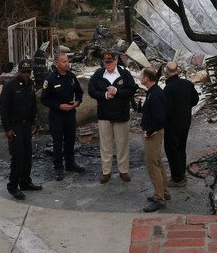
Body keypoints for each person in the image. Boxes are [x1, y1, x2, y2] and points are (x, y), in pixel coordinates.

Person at [87, 52, 137, 184]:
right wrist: (104, 95)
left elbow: (132, 90)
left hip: (121, 115)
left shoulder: (124, 74)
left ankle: (123, 170)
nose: (107, 65)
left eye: (110, 62)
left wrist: (117, 92)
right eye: (105, 62)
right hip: (104, 115)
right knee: (105, 144)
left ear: (115, 61)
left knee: (122, 144)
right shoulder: (99, 74)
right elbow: (91, 90)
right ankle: (106, 172)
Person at [0, 59, 42, 199]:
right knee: (18, 157)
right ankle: (13, 186)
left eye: (28, 72)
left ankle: (25, 182)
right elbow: (3, 108)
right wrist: (7, 128)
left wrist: (33, 122)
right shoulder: (10, 86)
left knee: (27, 155)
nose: (26, 74)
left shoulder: (30, 84)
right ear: (19, 71)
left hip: (26, 125)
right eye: (23, 72)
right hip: (15, 125)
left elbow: (32, 104)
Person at [41, 52, 84, 181]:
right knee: (57, 143)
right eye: (64, 62)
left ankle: (70, 164)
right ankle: (58, 167)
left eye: (67, 61)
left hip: (70, 115)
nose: (67, 63)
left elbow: (79, 92)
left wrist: (77, 102)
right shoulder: (51, 79)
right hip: (57, 116)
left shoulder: (71, 76)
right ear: (57, 63)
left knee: (70, 140)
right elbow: (44, 99)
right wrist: (58, 106)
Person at [162, 61, 199, 187]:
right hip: (185, 122)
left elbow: (165, 109)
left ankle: (177, 178)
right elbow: (195, 100)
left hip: (172, 125)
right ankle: (181, 173)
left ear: (166, 71)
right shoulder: (187, 84)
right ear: (178, 70)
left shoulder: (168, 89)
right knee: (181, 148)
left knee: (172, 151)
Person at [140, 67, 168, 212]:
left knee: (152, 166)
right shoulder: (153, 92)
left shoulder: (155, 94)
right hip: (154, 132)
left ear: (146, 78)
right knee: (158, 162)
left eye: (141, 75)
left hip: (153, 134)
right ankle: (164, 192)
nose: (140, 77)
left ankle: (159, 198)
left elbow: (159, 118)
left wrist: (149, 132)